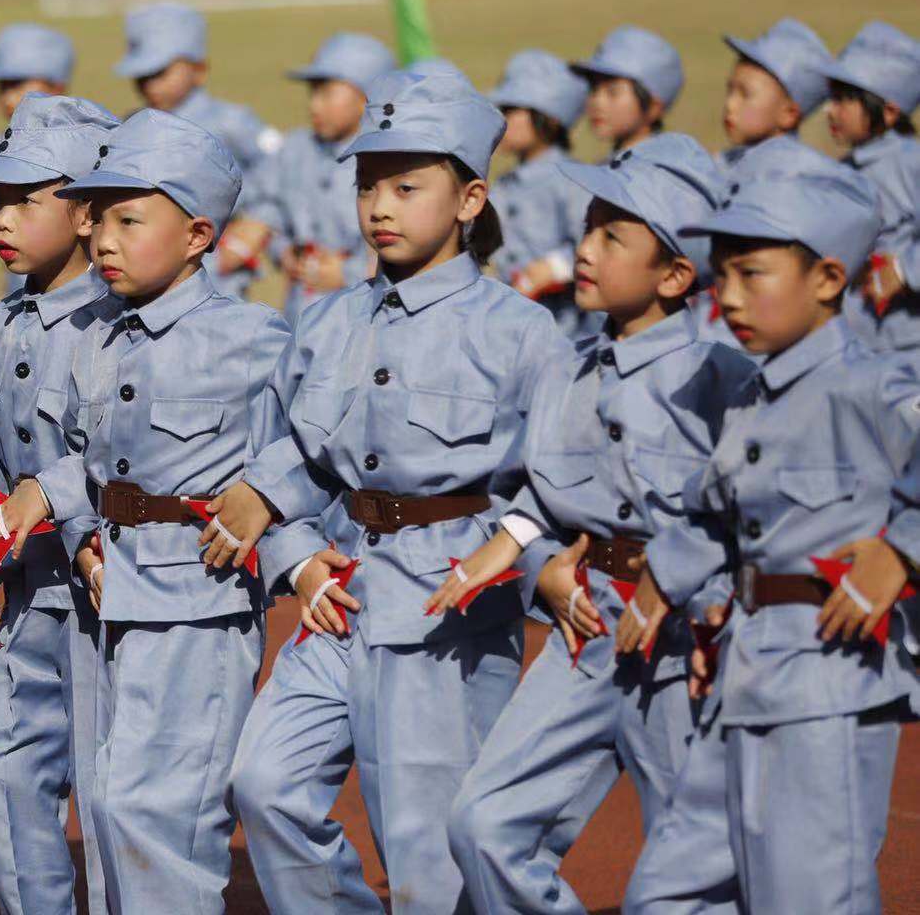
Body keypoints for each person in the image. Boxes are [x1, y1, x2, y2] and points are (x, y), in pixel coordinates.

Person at [227, 70, 568, 915]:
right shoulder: (328, 320)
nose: (379, 205)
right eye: (367, 184)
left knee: (426, 859)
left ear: (469, 199)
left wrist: (524, 563)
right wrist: (298, 562)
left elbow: (555, 482)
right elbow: (293, 461)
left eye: (407, 186)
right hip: (341, 592)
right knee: (264, 783)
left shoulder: (519, 331)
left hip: (447, 609)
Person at [0, 108, 291, 913]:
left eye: (126, 219)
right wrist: (55, 507)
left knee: (162, 821)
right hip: (119, 599)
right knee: (114, 803)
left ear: (197, 234)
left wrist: (271, 501)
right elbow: (88, 457)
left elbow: (312, 446)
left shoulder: (253, 336)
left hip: (201, 604)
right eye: (98, 218)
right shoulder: (98, 339)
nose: (102, 238)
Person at [440, 133, 749, 915]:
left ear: (677, 275)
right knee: (484, 823)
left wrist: (705, 607)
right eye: (587, 227)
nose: (586, 249)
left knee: (693, 874)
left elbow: (750, 519)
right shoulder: (567, 368)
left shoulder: (723, 379)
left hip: (687, 645)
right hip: (584, 637)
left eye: (614, 237)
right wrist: (537, 563)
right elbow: (529, 495)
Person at [677, 167, 920, 914]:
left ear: (828, 278)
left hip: (831, 681)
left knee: (814, 897)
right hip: (745, 669)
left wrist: (903, 547)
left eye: (752, 273)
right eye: (722, 277)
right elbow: (725, 524)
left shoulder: (872, 386)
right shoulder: (752, 397)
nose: (731, 296)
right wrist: (714, 603)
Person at [0, 92, 121, 915]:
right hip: (27, 588)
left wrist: (56, 501)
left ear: (87, 215)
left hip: (107, 587)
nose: (2, 217)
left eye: (26, 199)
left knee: (110, 787)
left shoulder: (120, 325)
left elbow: (123, 456)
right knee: (4, 769)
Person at [115, 1, 282, 300]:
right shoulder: (130, 127)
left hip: (216, 275)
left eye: (160, 71)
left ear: (200, 70)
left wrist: (259, 223)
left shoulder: (230, 121)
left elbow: (282, 166)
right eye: (141, 75)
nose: (149, 84)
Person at [257, 32, 394, 326]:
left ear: (367, 98)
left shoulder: (390, 162)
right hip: (301, 317)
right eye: (312, 92)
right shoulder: (294, 149)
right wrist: (284, 253)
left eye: (327, 92)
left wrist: (350, 273)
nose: (314, 105)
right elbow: (269, 213)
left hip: (366, 322)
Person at [819, 20, 920, 354]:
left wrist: (905, 271)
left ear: (890, 111)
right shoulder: (843, 170)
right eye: (831, 98)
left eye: (844, 100)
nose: (830, 111)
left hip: (908, 347)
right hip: (856, 344)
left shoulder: (910, 163)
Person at [485, 49, 592, 333]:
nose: (502, 119)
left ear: (549, 118)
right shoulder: (505, 182)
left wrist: (554, 268)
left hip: (560, 329)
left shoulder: (571, 179)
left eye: (511, 110)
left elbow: (591, 244)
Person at [0, 23, 77, 295]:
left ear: (57, 86)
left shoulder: (83, 149)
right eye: (2, 85)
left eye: (18, 84)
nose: (8, 96)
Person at [719, 17, 834, 173]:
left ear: (788, 115)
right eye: (730, 90)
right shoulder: (721, 164)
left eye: (746, 94)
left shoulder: (797, 181)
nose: (730, 104)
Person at [571, 26, 684, 157]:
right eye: (593, 89)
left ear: (654, 107)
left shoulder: (657, 173)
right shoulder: (609, 166)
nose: (597, 102)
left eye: (613, 92)